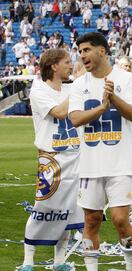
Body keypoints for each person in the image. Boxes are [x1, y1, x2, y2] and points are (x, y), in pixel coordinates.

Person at [68, 32, 132, 271]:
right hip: (90, 166)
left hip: (120, 163)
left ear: (102, 51)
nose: (82, 55)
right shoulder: (79, 84)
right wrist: (101, 107)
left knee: (121, 220)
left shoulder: (127, 78)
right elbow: (75, 119)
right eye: (80, 51)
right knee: (90, 221)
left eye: (86, 50)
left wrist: (114, 98)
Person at [21, 48, 84, 271]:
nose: (71, 65)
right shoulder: (39, 90)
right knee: (43, 207)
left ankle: (59, 261)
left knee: (69, 210)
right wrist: (78, 89)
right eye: (67, 62)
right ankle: (28, 261)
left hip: (75, 156)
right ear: (54, 66)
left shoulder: (70, 88)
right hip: (52, 158)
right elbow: (58, 112)